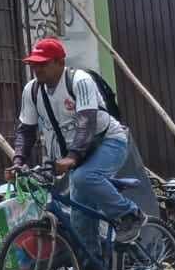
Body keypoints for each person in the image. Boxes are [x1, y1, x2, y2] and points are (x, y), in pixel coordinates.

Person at [9, 37, 144, 243]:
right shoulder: (32, 90)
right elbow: (26, 130)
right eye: (34, 64)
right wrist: (18, 161)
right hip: (77, 157)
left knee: (84, 177)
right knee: (81, 224)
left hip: (108, 142)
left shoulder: (79, 80)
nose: (38, 69)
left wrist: (71, 158)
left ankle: (130, 214)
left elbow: (86, 123)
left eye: (43, 64)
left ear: (60, 62)